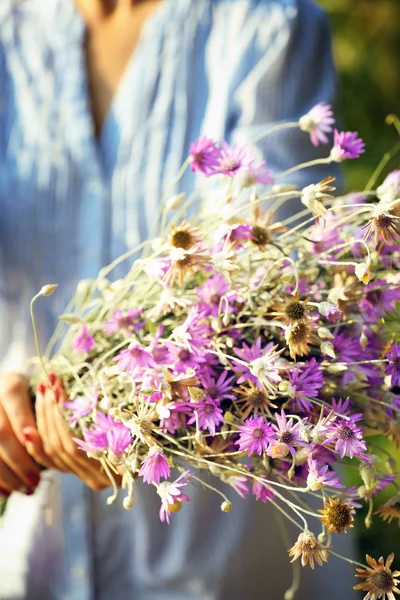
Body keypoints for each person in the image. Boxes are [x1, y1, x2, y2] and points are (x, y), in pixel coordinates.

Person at [0, 1, 353, 598]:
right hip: (37, 555)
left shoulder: (265, 24)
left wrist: (92, 409)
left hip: (218, 564)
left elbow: (270, 289)